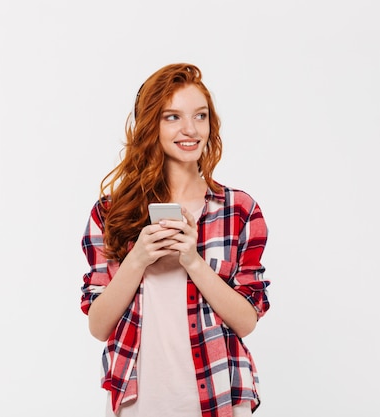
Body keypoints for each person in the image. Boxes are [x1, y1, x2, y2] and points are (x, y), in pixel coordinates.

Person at [80, 63, 271, 417]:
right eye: (172, 117)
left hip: (218, 394)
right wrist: (137, 258)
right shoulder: (111, 212)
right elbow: (98, 325)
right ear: (150, 124)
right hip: (138, 399)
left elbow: (246, 321)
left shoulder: (239, 210)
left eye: (200, 116)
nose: (190, 129)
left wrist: (192, 261)